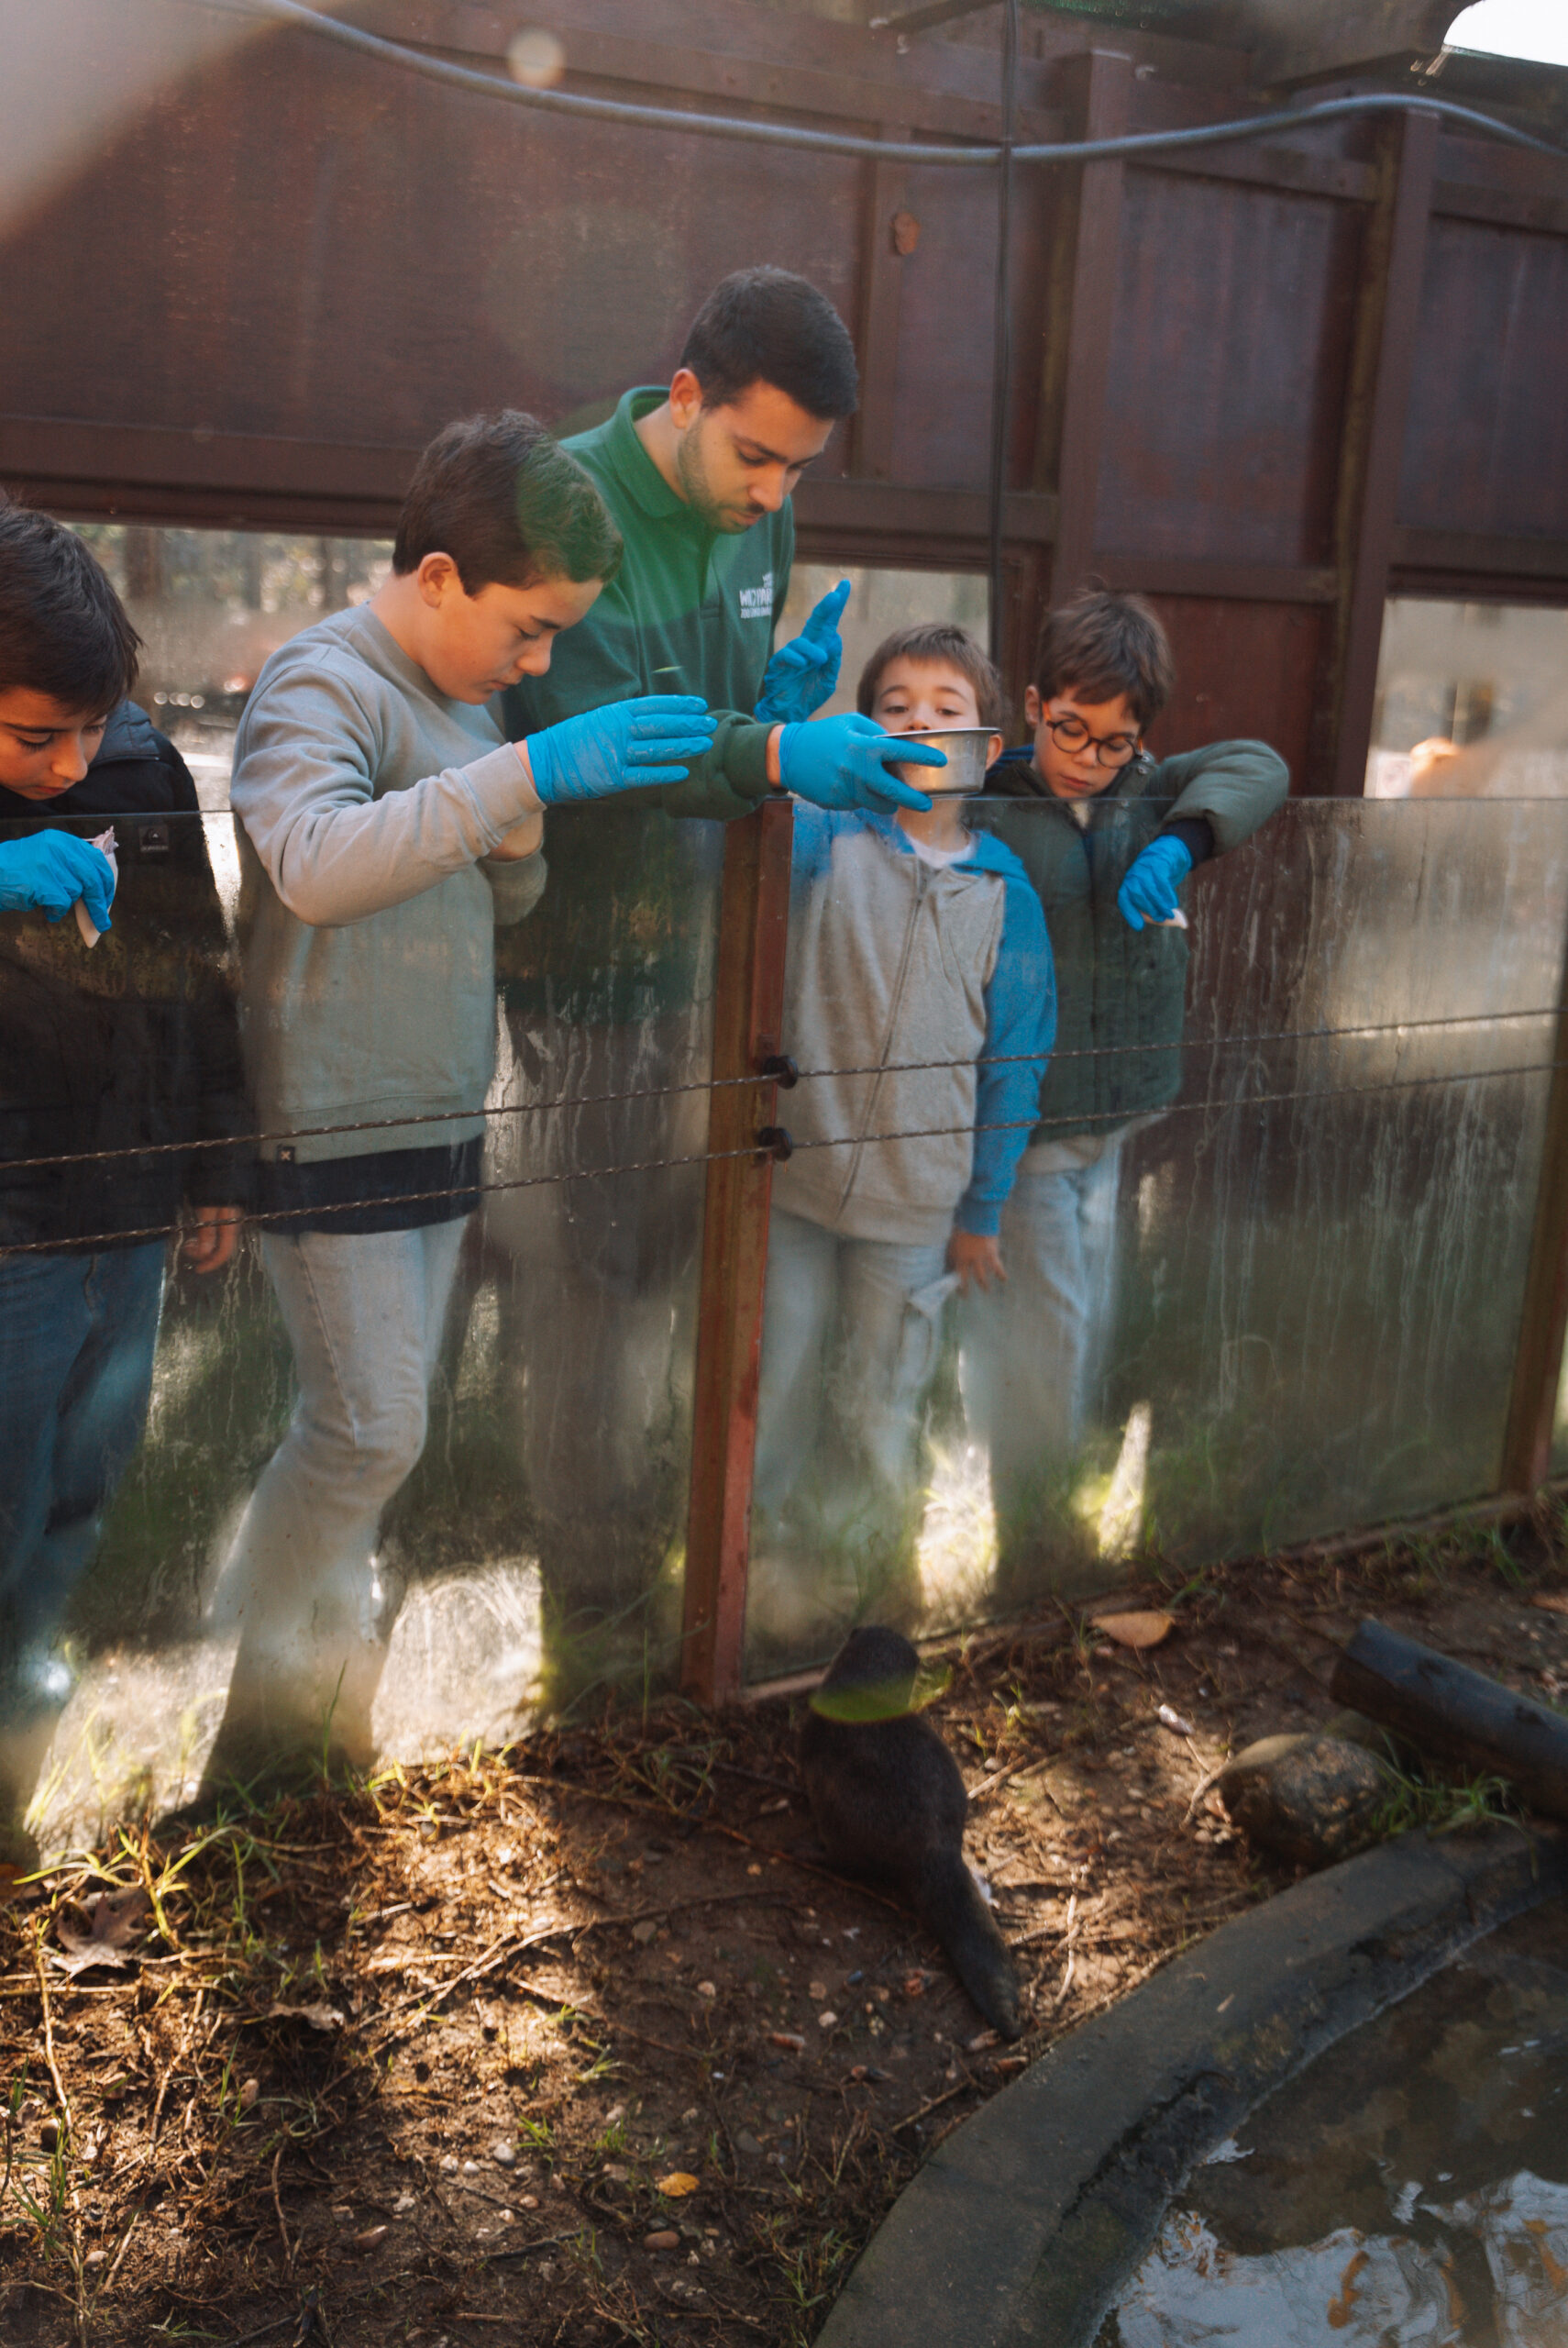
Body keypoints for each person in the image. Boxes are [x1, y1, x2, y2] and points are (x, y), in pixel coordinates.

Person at [210, 408, 736, 1773]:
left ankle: (315, 1722)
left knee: (379, 1435)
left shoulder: (465, 696)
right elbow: (315, 863)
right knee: (368, 1431)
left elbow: (499, 886)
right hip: (327, 1129)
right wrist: (522, 773)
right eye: (529, 629)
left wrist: (520, 835)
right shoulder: (322, 682)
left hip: (438, 1114)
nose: (538, 662)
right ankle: (263, 1715)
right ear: (438, 574)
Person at [495, 267, 942, 1632]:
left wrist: (774, 704)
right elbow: (609, 740)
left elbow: (723, 717)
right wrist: (774, 747)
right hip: (580, 958)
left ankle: (682, 1519)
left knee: (688, 1254)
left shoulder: (760, 507)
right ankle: (588, 1574)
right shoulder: (562, 502)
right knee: (594, 1269)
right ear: (682, 397)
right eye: (754, 457)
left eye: (797, 471)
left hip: (717, 946)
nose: (769, 497)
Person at [963, 589, 1289, 1590]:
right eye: (1070, 727)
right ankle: (1033, 1545)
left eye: (1114, 741)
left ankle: (1042, 1515)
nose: (1088, 756)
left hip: (1115, 1119)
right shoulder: (995, 802)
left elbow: (1260, 766)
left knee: (1080, 1315)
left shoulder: (1151, 790)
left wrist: (1180, 840)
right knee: (1047, 1331)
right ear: (1031, 704)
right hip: (1030, 1126)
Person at [0, 497, 248, 1741]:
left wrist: (215, 1162)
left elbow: (199, 973)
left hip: (126, 1198)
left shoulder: (140, 770)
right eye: (38, 736)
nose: (71, 768)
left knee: (87, 1476)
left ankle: (24, 1679)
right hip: (10, 1224)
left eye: (92, 726)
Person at [752, 624, 1054, 1643]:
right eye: (894, 703)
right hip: (794, 1185)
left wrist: (984, 1206)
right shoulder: (826, 834)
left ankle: (879, 1597)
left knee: (883, 1406)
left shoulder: (1006, 887)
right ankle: (755, 1593)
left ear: (989, 741)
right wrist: (782, 728)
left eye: (945, 704)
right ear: (864, 730)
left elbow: (1017, 1057)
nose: (920, 719)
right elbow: (749, 834)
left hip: (918, 1208)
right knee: (774, 1391)